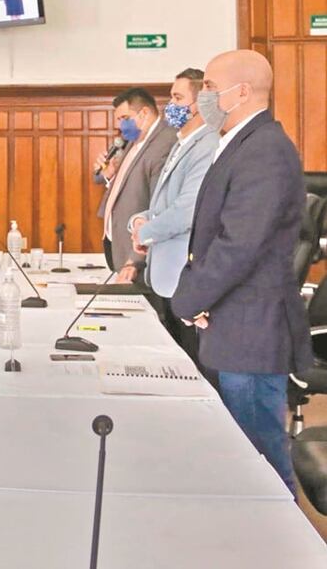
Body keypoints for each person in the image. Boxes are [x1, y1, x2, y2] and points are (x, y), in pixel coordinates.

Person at [171, 50, 313, 496]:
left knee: (261, 462)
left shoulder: (265, 149)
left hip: (251, 331)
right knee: (241, 457)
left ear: (243, 92)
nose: (204, 97)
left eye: (210, 88)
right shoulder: (240, 143)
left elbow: (239, 244)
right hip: (233, 324)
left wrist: (189, 299)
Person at [128, 69, 219, 384]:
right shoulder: (182, 143)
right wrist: (139, 220)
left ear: (199, 105)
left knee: (195, 371)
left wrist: (147, 231)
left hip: (185, 274)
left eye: (178, 98)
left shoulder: (206, 145)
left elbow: (187, 210)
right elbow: (162, 204)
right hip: (166, 273)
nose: (171, 105)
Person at [97, 88, 177, 283]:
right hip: (118, 243)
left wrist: (137, 259)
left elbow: (159, 204)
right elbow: (122, 182)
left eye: (125, 117)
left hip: (139, 251)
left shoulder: (164, 142)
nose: (120, 125)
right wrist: (107, 175)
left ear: (144, 113)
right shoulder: (132, 141)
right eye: (118, 119)